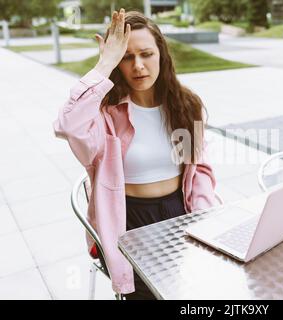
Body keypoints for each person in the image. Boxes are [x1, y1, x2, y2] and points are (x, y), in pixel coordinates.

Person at [53, 9, 218, 299]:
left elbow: (198, 168)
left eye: (146, 54)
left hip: (178, 211)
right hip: (126, 220)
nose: (138, 66)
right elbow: (68, 125)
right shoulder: (105, 113)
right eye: (127, 57)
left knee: (194, 287)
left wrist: (204, 216)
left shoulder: (185, 104)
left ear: (161, 55)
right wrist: (103, 65)